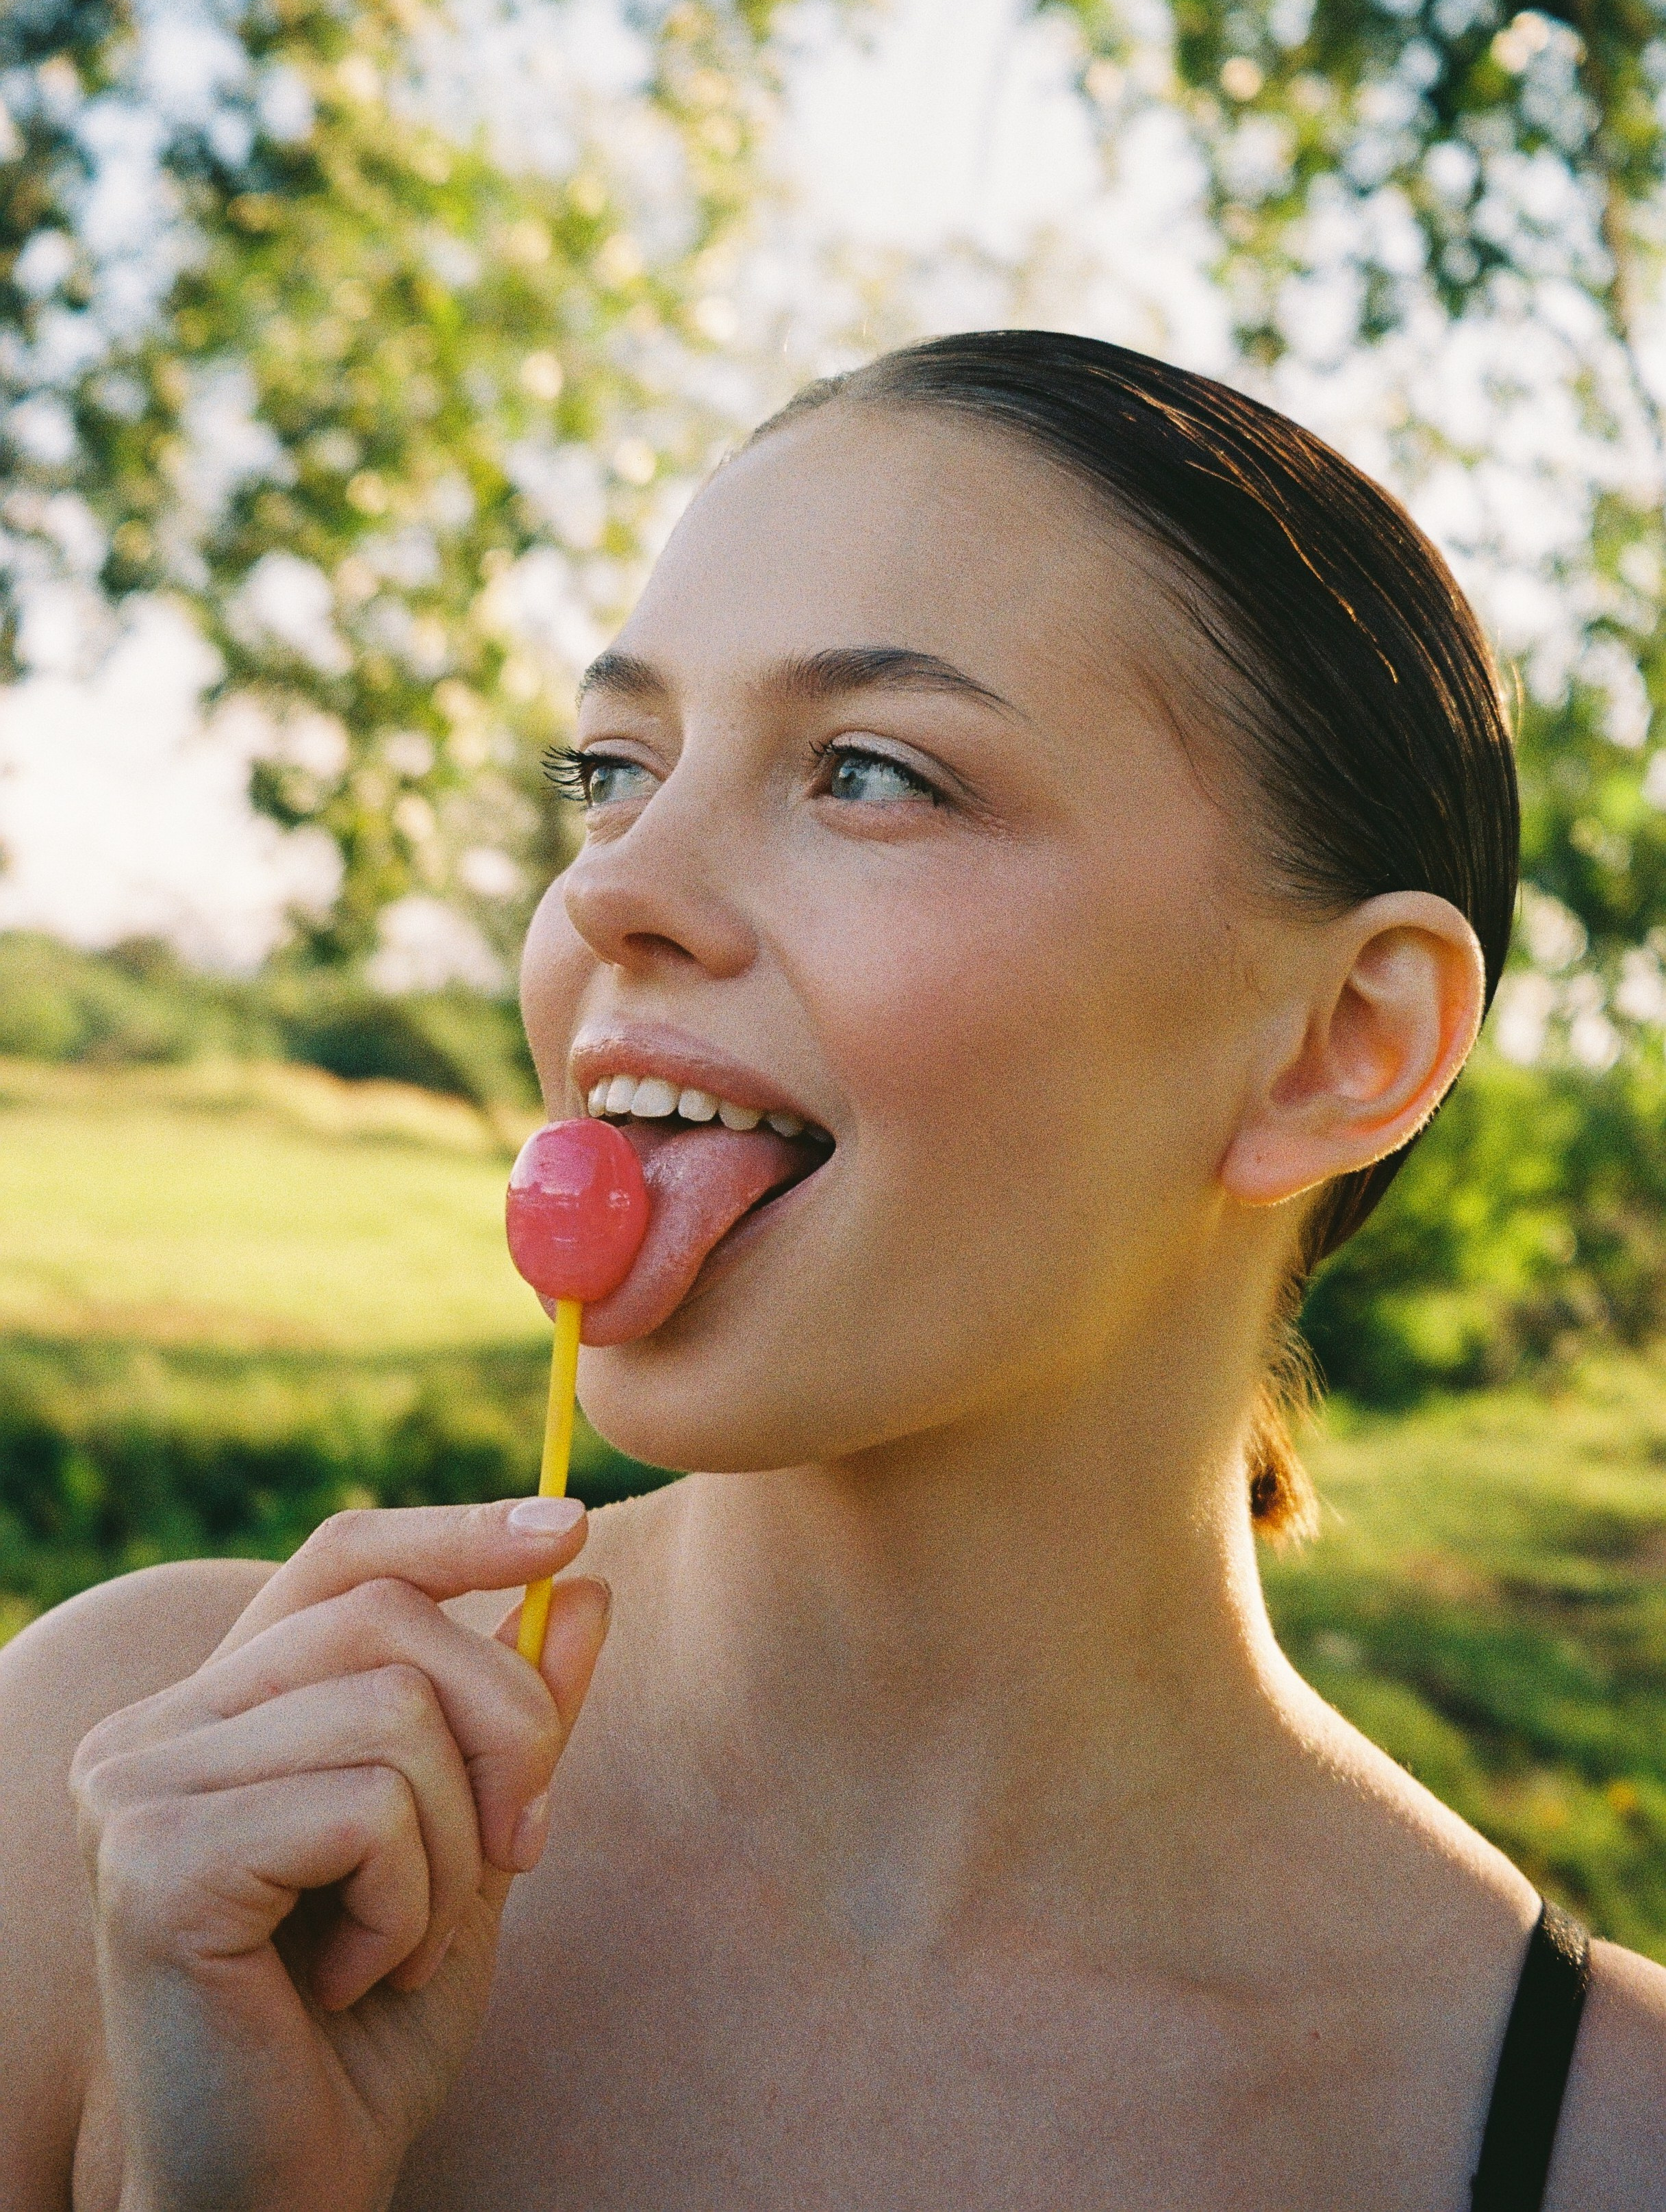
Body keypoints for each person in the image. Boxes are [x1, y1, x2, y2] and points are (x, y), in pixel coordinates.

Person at [2, 331, 1662, 2212]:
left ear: (1338, 1045)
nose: (609, 887)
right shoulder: (118, 1804)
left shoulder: (1602, 2142)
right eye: (614, 765)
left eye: (870, 773)